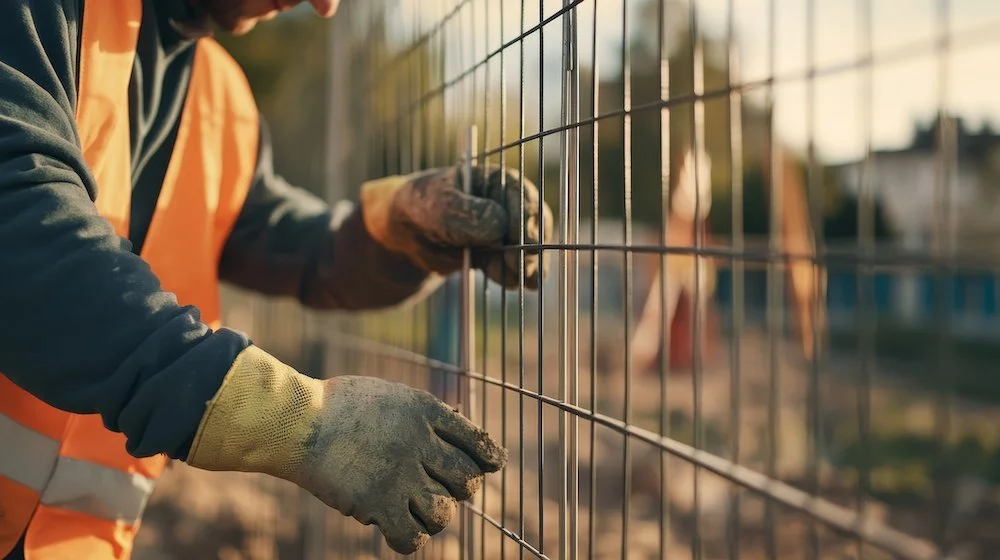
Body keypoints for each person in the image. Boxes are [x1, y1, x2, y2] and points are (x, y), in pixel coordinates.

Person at [0, 1, 553, 558]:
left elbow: (288, 241)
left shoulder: (218, 96)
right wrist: (292, 420)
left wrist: (400, 228)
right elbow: (19, 225)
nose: (325, 6)